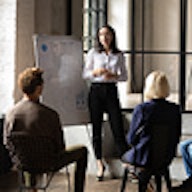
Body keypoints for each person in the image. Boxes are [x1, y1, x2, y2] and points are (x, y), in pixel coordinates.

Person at [3, 67, 88, 192]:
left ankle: (32, 189)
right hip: (49, 163)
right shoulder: (50, 114)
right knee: (82, 151)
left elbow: (7, 143)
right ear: (39, 88)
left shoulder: (10, 114)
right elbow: (60, 147)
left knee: (26, 151)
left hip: (22, 162)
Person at [83, 24, 129, 181]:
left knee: (117, 125)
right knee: (96, 129)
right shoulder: (93, 53)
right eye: (101, 35)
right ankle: (99, 163)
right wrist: (95, 72)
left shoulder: (119, 54)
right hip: (95, 91)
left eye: (107, 34)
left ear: (112, 36)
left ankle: (125, 161)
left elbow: (124, 77)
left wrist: (113, 75)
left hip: (111, 91)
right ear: (98, 37)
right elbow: (85, 74)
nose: (104, 38)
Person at [122, 71, 181, 184]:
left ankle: (139, 177)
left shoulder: (142, 109)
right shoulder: (174, 109)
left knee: (126, 158)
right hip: (166, 157)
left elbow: (131, 139)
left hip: (144, 157)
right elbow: (176, 136)